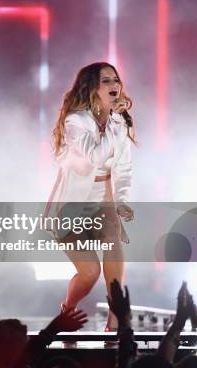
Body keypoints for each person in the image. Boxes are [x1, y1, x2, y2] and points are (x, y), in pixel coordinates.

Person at [45, 62, 135, 331]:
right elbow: (96, 155)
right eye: (106, 81)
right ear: (93, 88)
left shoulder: (118, 124)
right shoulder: (76, 121)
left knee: (114, 251)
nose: (114, 85)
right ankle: (68, 310)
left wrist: (121, 201)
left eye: (116, 80)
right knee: (90, 273)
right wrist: (116, 122)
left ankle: (115, 319)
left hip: (104, 200)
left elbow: (124, 167)